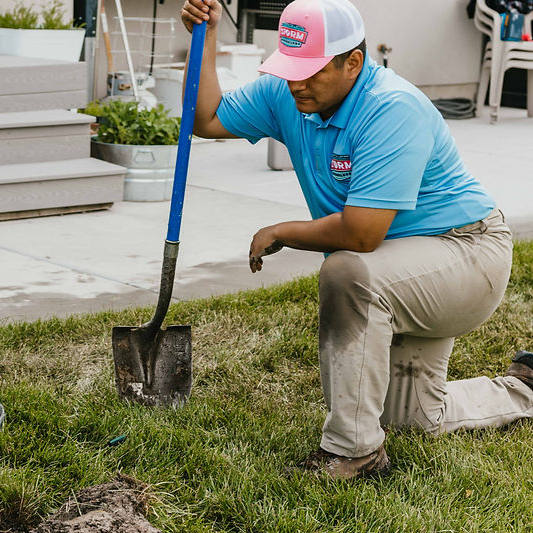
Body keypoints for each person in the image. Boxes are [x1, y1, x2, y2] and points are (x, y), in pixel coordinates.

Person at [180, 0, 533, 478]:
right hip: (400, 263)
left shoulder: (392, 108)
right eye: (289, 69)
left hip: (466, 255)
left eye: (312, 70)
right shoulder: (289, 93)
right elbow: (206, 120)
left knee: (346, 269)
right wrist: (206, 37)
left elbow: (361, 234)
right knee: (411, 419)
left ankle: (353, 451)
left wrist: (281, 231)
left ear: (353, 62)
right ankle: (526, 388)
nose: (297, 83)